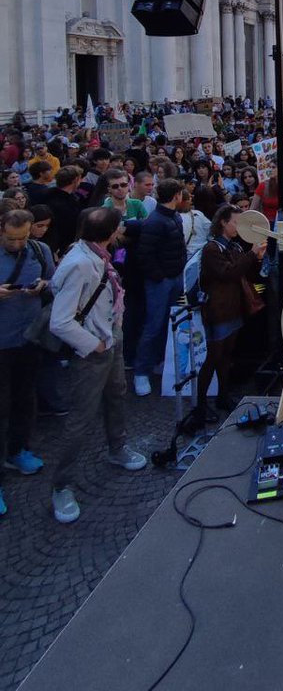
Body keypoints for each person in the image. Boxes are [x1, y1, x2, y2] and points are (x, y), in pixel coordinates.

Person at [48, 207, 147, 525]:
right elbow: (60, 321)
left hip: (109, 337)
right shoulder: (80, 264)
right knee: (80, 418)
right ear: (110, 232)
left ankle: (117, 447)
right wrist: (95, 343)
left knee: (117, 394)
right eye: (118, 228)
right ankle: (61, 486)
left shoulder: (93, 253)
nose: (122, 232)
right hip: (93, 348)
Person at [186, 205, 266, 425]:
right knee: (213, 357)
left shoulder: (234, 247)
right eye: (236, 223)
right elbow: (228, 273)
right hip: (218, 311)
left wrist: (256, 257)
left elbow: (248, 274)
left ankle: (222, 396)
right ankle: (200, 406)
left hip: (233, 308)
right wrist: (251, 254)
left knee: (226, 355)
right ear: (223, 222)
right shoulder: (212, 249)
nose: (239, 228)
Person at [0, 209, 55, 517]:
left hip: (29, 336)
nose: (18, 244)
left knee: (24, 398)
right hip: (2, 341)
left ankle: (18, 449)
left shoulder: (38, 248)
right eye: (12, 239)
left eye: (22, 238)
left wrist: (42, 285)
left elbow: (52, 279)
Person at [132, 178, 187, 396]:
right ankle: (141, 371)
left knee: (170, 322)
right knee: (154, 325)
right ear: (176, 196)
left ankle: (160, 361)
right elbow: (145, 255)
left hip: (173, 276)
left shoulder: (171, 216)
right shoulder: (156, 221)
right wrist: (160, 276)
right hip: (162, 280)